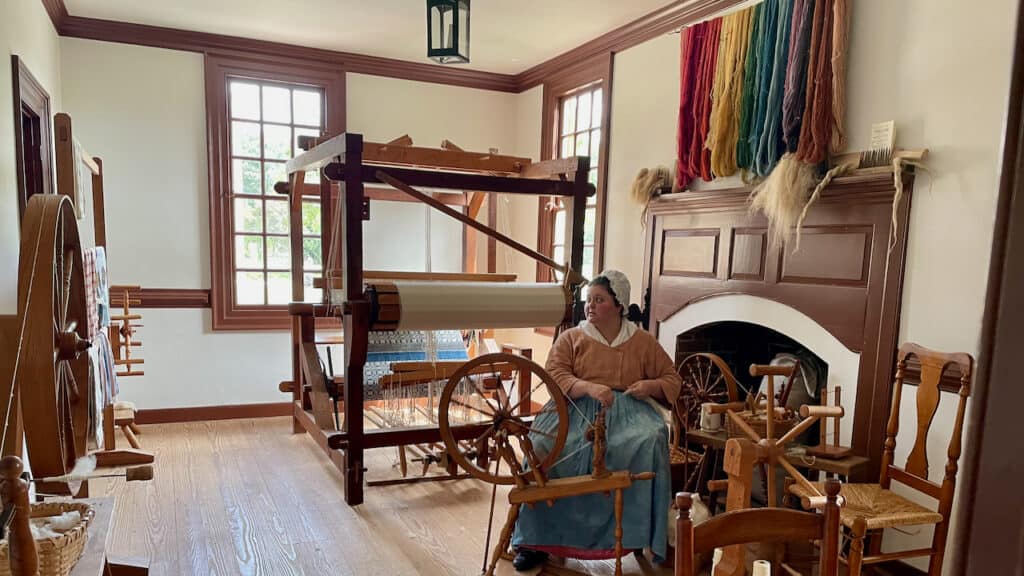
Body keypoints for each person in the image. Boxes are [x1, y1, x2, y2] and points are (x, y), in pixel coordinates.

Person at [510, 269, 682, 571]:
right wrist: (588, 387)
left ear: (619, 306)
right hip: (574, 408)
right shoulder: (572, 338)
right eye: (588, 300)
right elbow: (555, 374)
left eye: (599, 300)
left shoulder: (641, 341)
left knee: (650, 440)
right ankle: (534, 541)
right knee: (542, 448)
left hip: (628, 409)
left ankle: (638, 535)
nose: (590, 306)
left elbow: (672, 378)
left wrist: (649, 386)